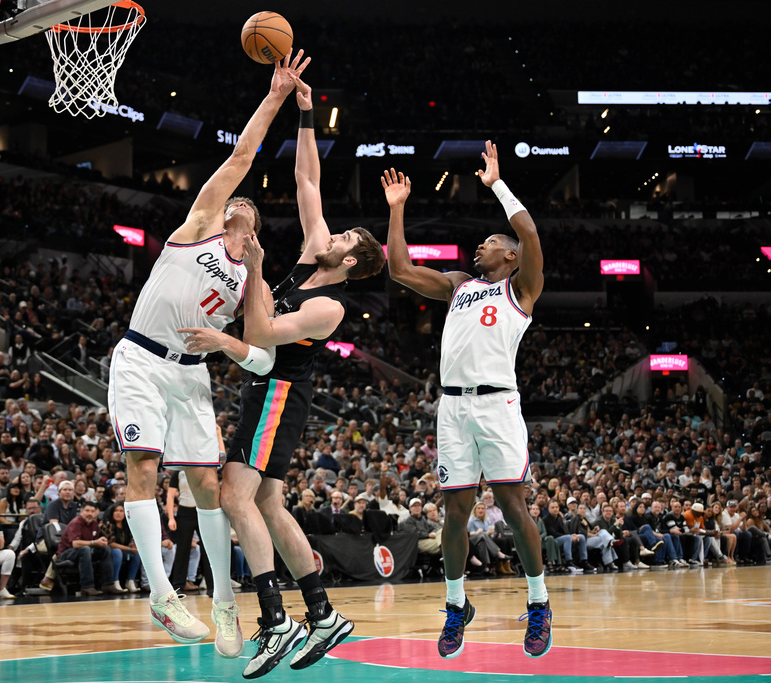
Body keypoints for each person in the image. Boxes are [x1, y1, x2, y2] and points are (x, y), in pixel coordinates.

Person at [110, 50, 310, 657]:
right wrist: (276, 97)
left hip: (192, 376)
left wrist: (232, 333)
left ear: (255, 235)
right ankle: (163, 596)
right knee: (143, 470)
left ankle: (225, 602)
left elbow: (259, 357)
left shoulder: (254, 283)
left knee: (210, 487)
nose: (239, 207)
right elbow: (243, 156)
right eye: (234, 206)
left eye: (249, 214)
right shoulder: (197, 226)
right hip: (142, 358)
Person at [183, 73, 383, 678]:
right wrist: (305, 113)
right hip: (263, 389)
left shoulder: (331, 307)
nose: (332, 231)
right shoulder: (312, 251)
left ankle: (275, 620)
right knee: (269, 502)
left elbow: (263, 334)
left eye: (343, 236)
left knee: (233, 495)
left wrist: (259, 271)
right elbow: (306, 178)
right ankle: (322, 615)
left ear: (347, 259)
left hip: (279, 395)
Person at [384, 143, 552, 659]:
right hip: (453, 408)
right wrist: (396, 210)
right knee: (454, 511)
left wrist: (497, 184)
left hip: (498, 405)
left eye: (488, 244)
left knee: (511, 504)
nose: (477, 249)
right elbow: (400, 270)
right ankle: (457, 606)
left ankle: (539, 601)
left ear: (509, 256)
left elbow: (530, 233)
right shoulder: (459, 284)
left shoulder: (522, 287)